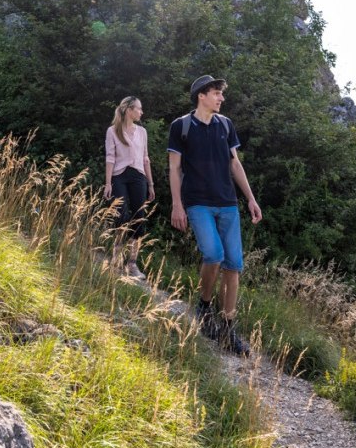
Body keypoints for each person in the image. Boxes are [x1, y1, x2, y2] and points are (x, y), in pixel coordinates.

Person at [167, 75, 262, 356]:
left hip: (228, 203)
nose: (221, 98)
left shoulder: (226, 124)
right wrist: (176, 204)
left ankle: (228, 330)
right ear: (201, 96)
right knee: (214, 255)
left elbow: (235, 164)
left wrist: (251, 199)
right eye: (216, 93)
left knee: (234, 266)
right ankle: (205, 306)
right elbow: (174, 169)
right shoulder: (181, 126)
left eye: (221, 94)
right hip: (198, 203)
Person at [104, 96, 155, 280]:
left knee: (138, 218)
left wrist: (150, 183)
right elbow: (110, 157)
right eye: (139, 109)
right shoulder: (113, 131)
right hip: (119, 177)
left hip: (139, 177)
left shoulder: (142, 132)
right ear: (129, 110)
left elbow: (145, 158)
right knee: (122, 215)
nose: (141, 112)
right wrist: (108, 183)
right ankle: (116, 258)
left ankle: (132, 264)